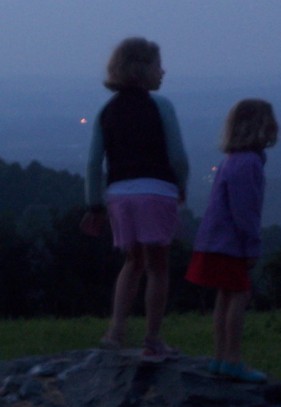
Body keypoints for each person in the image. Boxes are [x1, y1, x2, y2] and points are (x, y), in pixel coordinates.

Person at [80, 37, 189, 362]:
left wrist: (94, 205)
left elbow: (92, 163)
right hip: (157, 192)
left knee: (132, 262)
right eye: (158, 64)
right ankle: (153, 339)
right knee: (158, 266)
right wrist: (180, 186)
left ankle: (115, 332)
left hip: (119, 196)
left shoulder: (106, 109)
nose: (163, 71)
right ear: (142, 69)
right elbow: (178, 157)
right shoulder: (162, 106)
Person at [185, 99, 278, 382]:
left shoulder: (232, 161)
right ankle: (233, 359)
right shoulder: (249, 164)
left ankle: (220, 357)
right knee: (238, 296)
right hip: (230, 245)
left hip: (213, 242)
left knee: (224, 298)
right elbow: (245, 212)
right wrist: (252, 245)